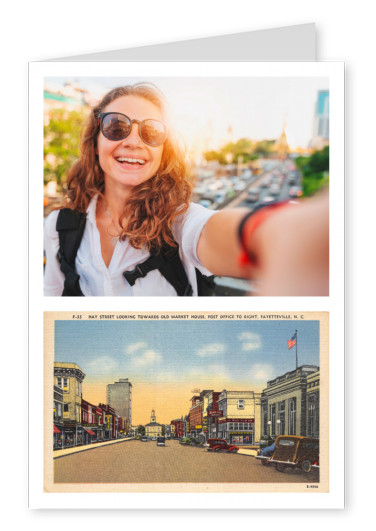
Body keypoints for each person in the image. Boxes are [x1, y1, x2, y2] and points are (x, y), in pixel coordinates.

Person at [44, 82, 329, 296]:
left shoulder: (178, 222)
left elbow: (212, 232)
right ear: (95, 140)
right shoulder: (59, 226)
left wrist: (278, 233)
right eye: (116, 126)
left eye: (151, 131)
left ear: (163, 150)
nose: (133, 142)